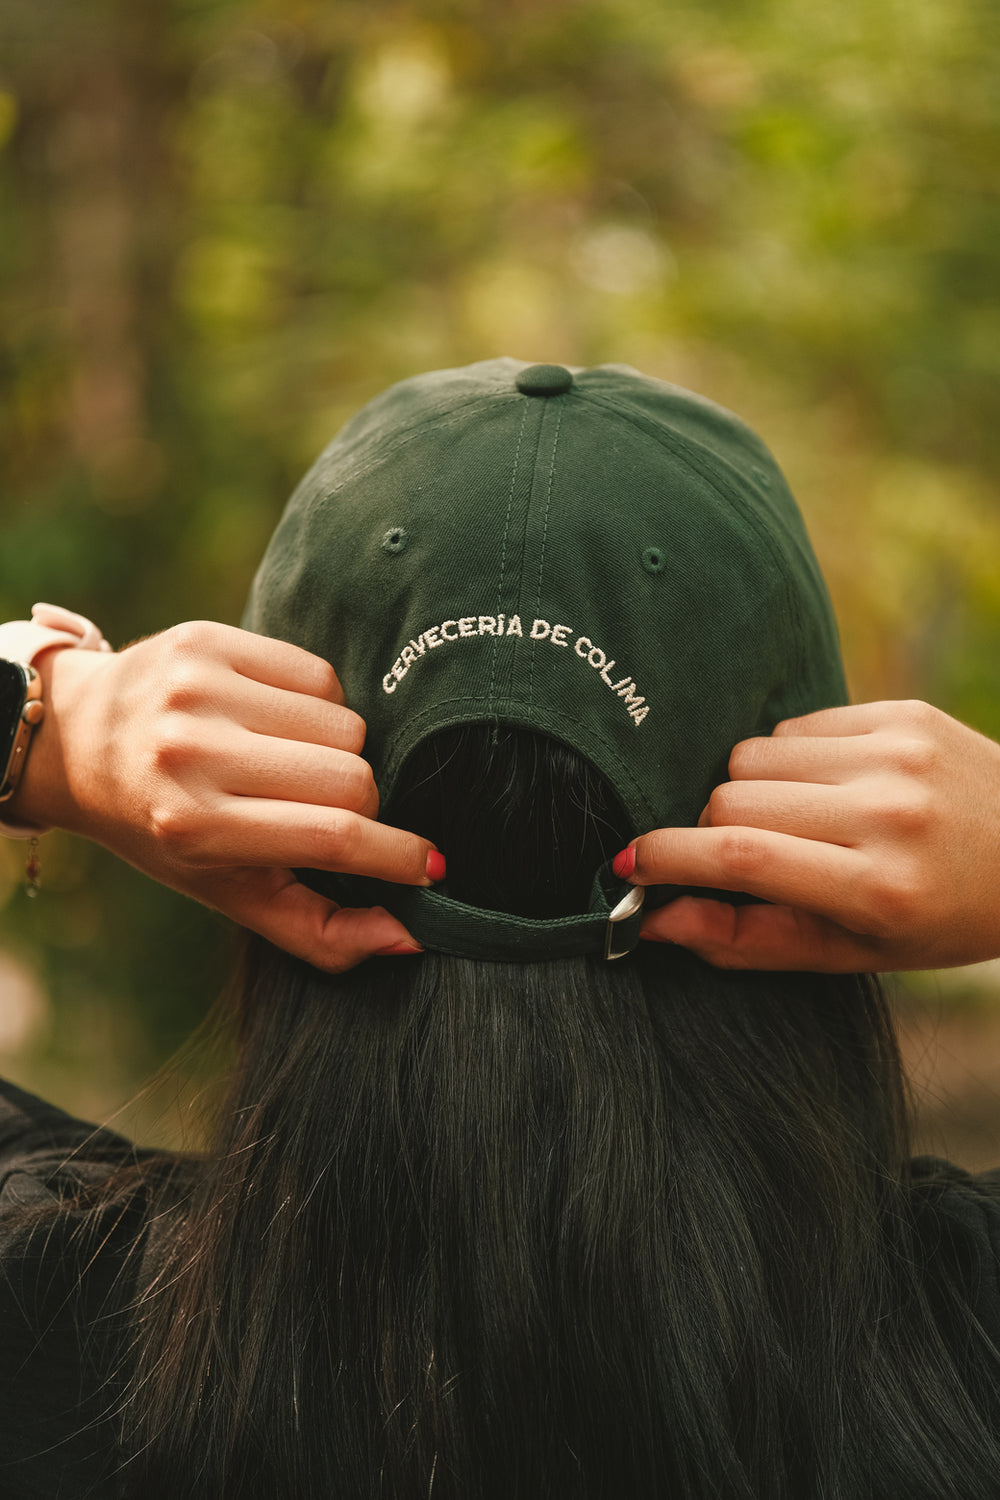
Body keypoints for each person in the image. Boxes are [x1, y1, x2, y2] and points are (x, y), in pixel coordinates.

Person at [1, 357, 1000, 1498]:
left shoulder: (49, 1320)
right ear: (822, 853)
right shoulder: (967, 1348)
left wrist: (52, 723)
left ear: (262, 846)